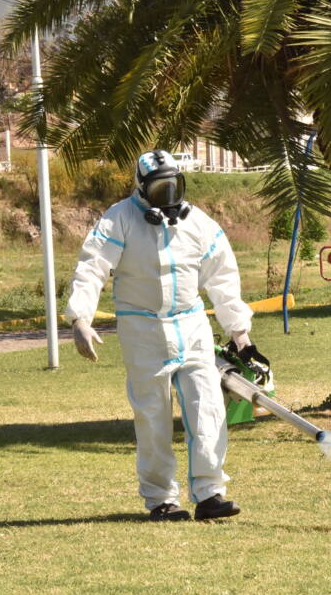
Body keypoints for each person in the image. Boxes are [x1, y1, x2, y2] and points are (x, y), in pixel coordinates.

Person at [64, 149, 253, 522]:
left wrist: (239, 332)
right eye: (159, 189)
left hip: (192, 326)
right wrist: (79, 318)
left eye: (174, 187)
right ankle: (161, 500)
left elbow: (223, 277)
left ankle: (210, 493)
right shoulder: (119, 220)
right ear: (142, 189)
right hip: (142, 329)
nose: (168, 198)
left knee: (208, 410)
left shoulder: (198, 223)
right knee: (153, 416)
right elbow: (92, 268)